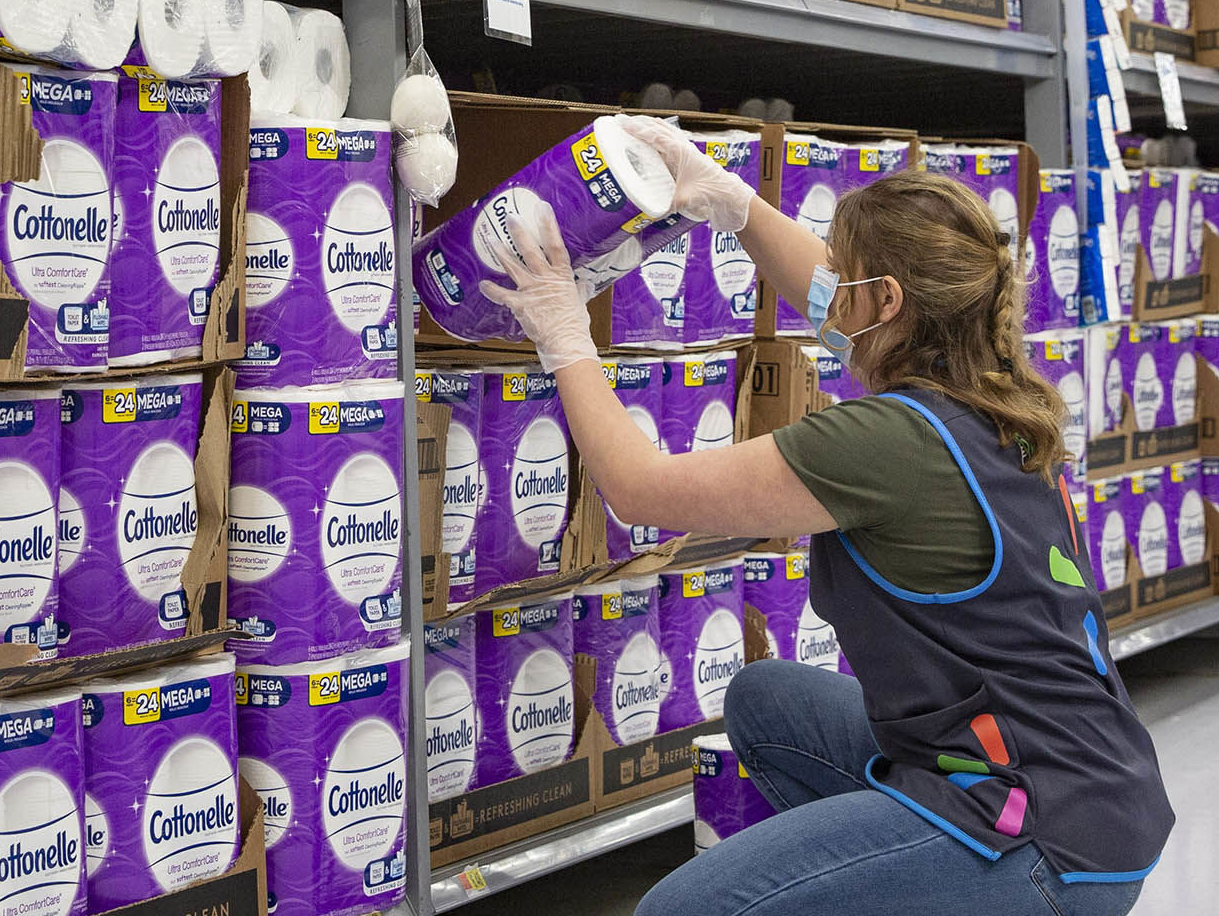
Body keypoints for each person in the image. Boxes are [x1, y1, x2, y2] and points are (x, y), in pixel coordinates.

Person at [478, 117, 1171, 916]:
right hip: (1093, 784)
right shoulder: (995, 383)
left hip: (1041, 836)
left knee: (675, 912)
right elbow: (835, 299)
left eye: (844, 276)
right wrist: (733, 205)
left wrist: (564, 333)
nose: (825, 293)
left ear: (887, 302)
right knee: (767, 704)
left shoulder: (885, 445)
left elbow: (637, 490)